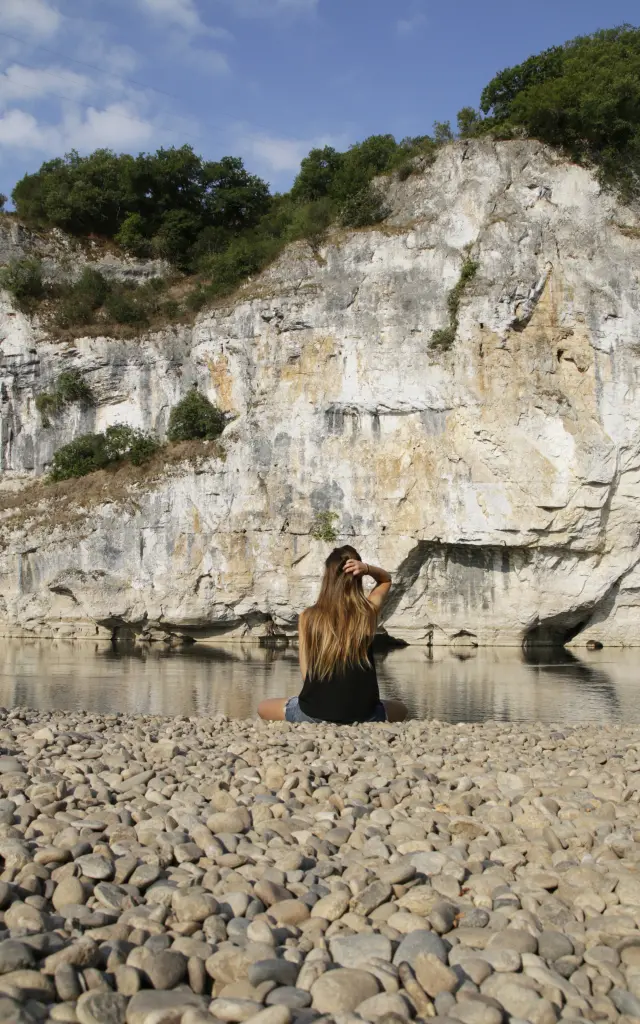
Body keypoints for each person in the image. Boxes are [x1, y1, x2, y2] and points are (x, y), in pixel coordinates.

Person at [258, 545, 407, 724]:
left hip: (313, 713)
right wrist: (367, 568)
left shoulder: (308, 617)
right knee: (401, 709)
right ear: (357, 577)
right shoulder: (367, 613)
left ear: (327, 578)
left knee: (263, 707)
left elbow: (306, 675)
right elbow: (385, 580)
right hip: (365, 715)